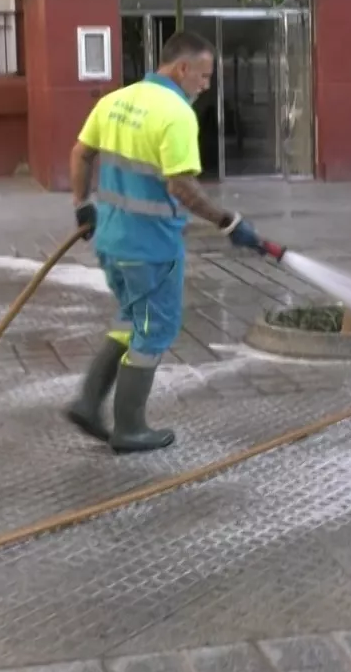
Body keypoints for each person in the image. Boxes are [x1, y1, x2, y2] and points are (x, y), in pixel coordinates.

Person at [65, 31, 277, 452]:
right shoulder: (176, 114)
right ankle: (129, 428)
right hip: (152, 250)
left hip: (110, 241)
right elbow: (181, 187)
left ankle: (89, 403)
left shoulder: (115, 101)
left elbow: (79, 153)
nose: (206, 84)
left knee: (131, 321)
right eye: (204, 74)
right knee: (153, 331)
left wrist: (81, 206)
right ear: (182, 68)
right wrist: (227, 222)